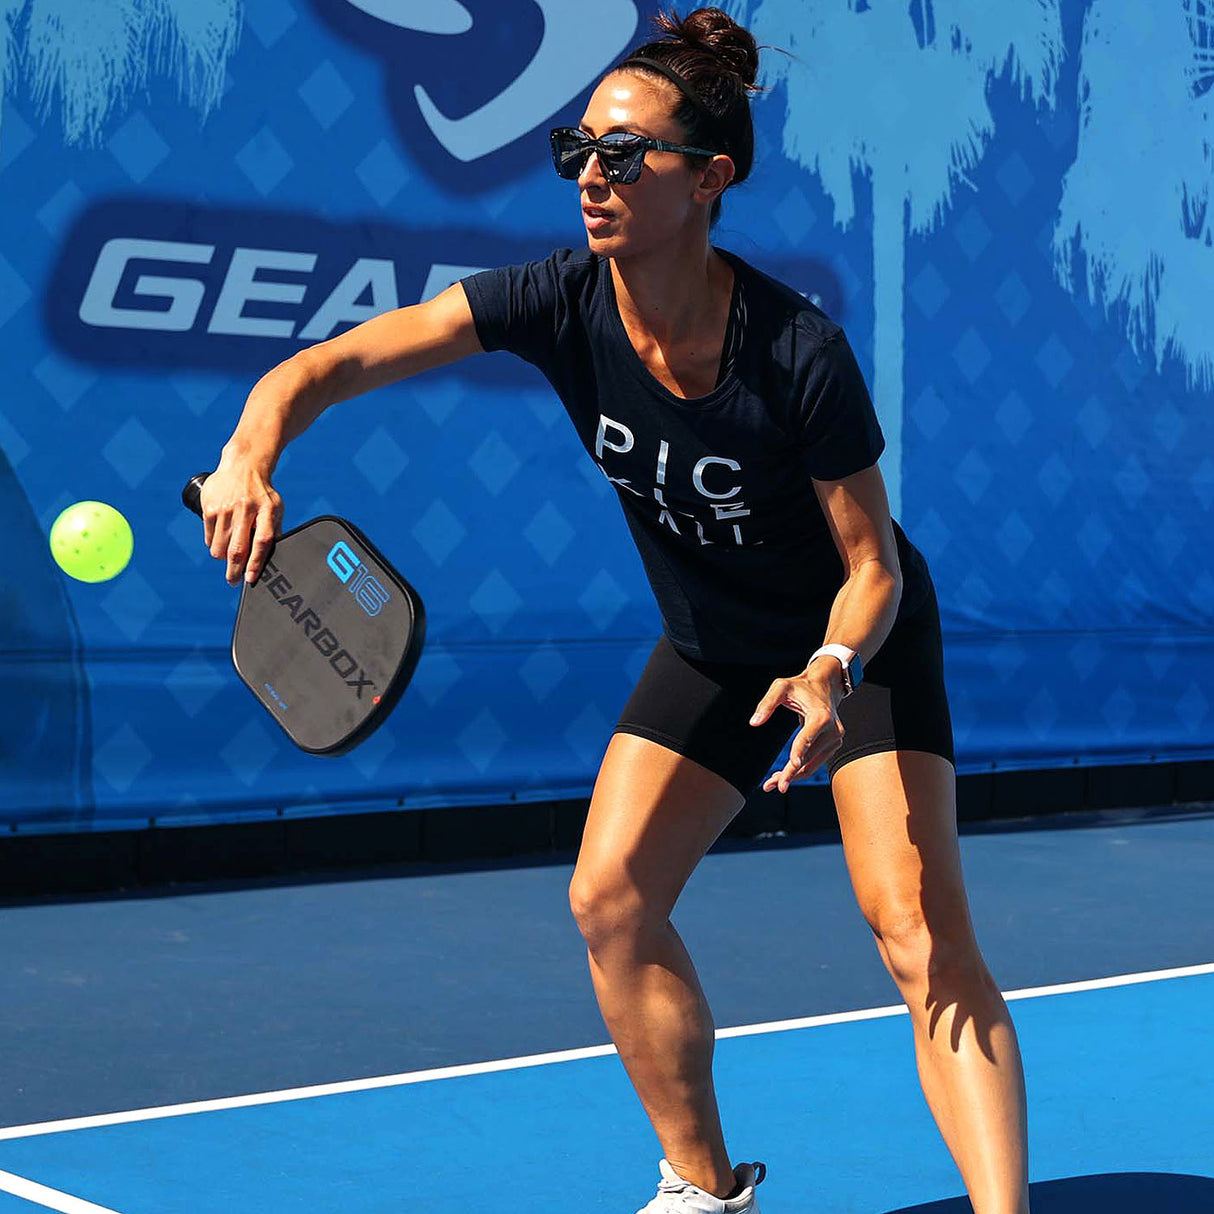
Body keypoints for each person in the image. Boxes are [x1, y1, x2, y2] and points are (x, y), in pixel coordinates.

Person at [200, 7, 1031, 1212]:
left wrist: (830, 666)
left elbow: (874, 569)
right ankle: (705, 1187)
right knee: (610, 899)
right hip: (712, 644)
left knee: (915, 931)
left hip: (849, 651)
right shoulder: (555, 300)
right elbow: (328, 365)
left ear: (708, 179)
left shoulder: (794, 351)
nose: (591, 175)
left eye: (625, 155)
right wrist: (249, 450)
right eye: (577, 150)